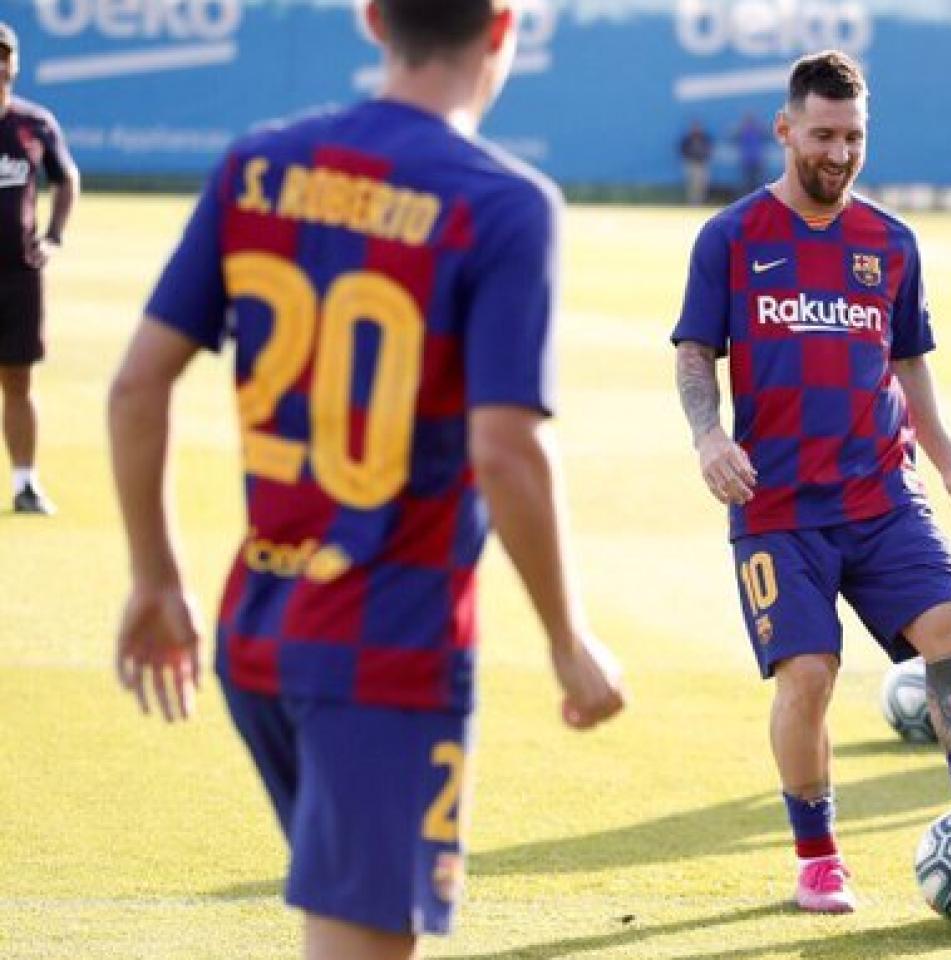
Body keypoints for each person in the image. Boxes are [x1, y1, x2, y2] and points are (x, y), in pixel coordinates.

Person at [106, 2, 626, 957]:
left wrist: (154, 578)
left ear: (374, 18)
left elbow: (138, 386)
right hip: (388, 644)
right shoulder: (503, 202)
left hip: (257, 628)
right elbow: (505, 450)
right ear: (504, 28)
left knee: (344, 923)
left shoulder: (258, 165)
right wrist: (566, 636)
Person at [671, 49, 951, 915]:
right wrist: (709, 434)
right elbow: (693, 353)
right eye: (822, 134)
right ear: (786, 130)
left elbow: (909, 366)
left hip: (880, 493)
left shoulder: (891, 243)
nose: (838, 152)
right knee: (809, 675)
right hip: (778, 508)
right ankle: (818, 857)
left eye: (854, 137)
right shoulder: (731, 238)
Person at [0, 21, 77, 515]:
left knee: (18, 379)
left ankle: (26, 482)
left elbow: (65, 178)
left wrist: (53, 235)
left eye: (3, 55)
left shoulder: (33, 124)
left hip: (17, 273)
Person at [680, 118, 713, 205]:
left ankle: (701, 202)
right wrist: (689, 157)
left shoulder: (704, 137)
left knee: (703, 184)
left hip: (702, 163)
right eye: (695, 127)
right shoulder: (688, 138)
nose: (696, 128)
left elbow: (709, 149)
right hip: (691, 163)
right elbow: (682, 150)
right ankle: (693, 203)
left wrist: (705, 156)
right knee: (692, 185)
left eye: (698, 126)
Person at [735, 112, 767, 194]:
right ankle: (751, 198)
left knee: (757, 182)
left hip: (756, 160)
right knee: (748, 183)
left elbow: (767, 133)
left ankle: (756, 198)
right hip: (748, 160)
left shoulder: (757, 130)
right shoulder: (742, 131)